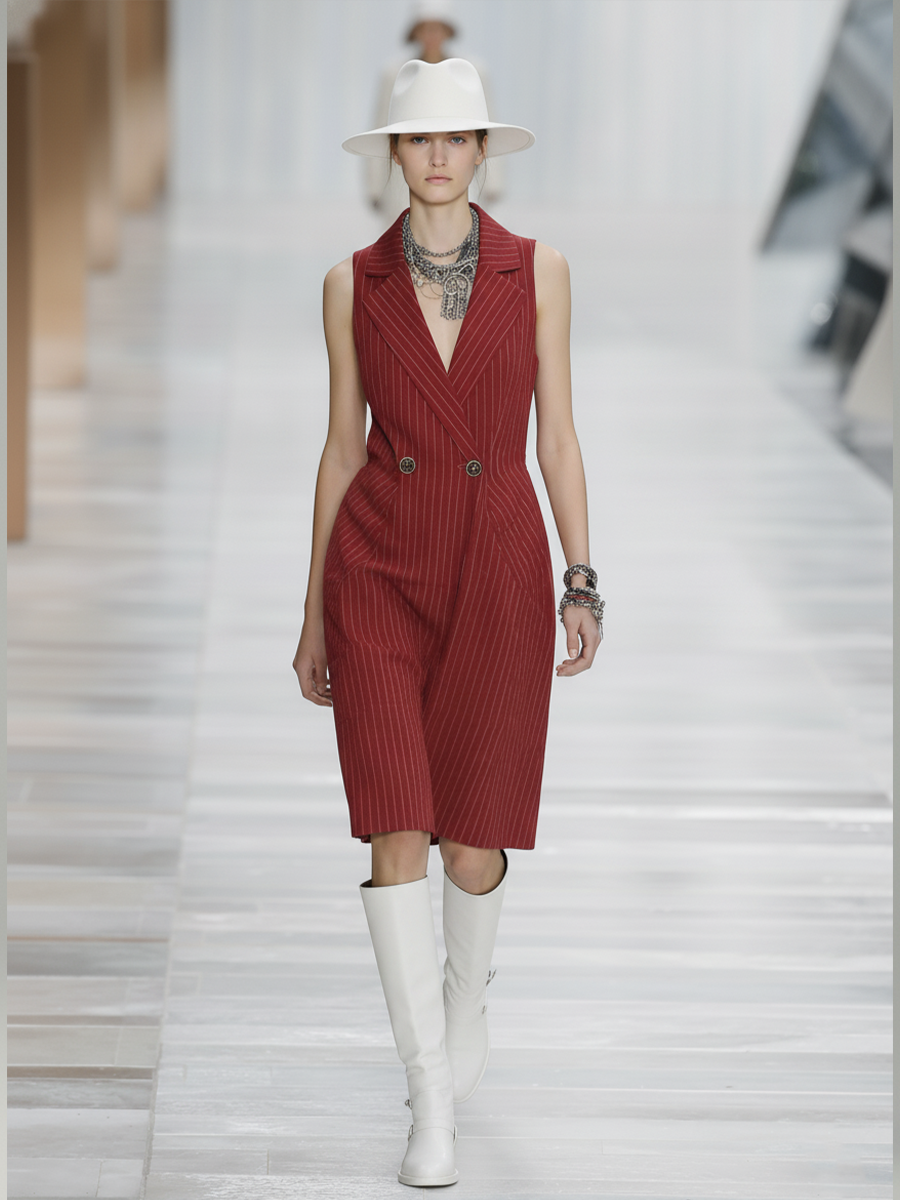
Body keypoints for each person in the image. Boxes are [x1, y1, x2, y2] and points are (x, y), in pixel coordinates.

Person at [292, 58, 603, 1189]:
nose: (437, 156)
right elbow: (341, 447)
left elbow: (556, 435)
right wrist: (313, 614)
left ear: (480, 152)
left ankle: (467, 995)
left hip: (499, 567)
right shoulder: (351, 283)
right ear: (394, 154)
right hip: (378, 567)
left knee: (473, 842)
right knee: (396, 826)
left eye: (456, 138)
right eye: (419, 138)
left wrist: (581, 577)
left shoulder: (540, 270)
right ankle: (429, 1100)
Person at [365, 1, 504, 222]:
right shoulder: (395, 74)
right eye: (425, 28)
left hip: (459, 178)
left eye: (438, 28)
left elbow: (487, 126)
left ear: (449, 31)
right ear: (414, 32)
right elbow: (382, 126)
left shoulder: (472, 72)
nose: (432, 35)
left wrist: (494, 182)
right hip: (405, 182)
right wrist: (374, 187)